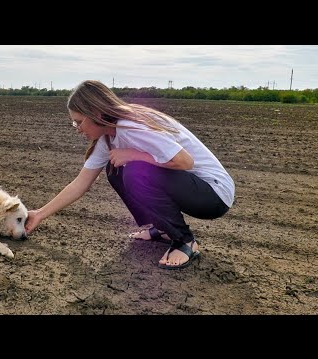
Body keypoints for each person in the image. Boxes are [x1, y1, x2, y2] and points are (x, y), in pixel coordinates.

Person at [25, 80, 235, 270]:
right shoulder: (107, 137)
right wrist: (40, 214)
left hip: (213, 194)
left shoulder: (131, 127)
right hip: (193, 188)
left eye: (79, 121)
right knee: (116, 168)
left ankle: (185, 241)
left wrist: (134, 154)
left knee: (135, 170)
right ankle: (162, 228)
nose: (76, 128)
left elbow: (185, 161)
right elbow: (80, 183)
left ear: (96, 114)